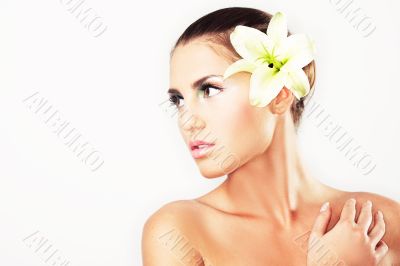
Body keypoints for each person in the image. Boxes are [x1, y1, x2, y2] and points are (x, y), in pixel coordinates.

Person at [142, 7, 400, 265]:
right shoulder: (179, 231)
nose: (187, 121)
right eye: (178, 100)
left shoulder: (378, 221)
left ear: (279, 95)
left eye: (209, 90)